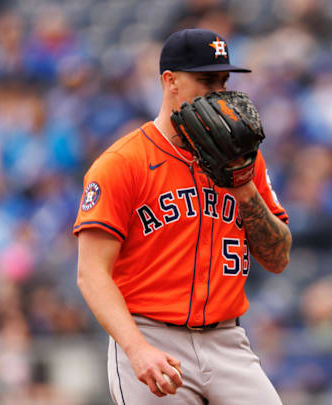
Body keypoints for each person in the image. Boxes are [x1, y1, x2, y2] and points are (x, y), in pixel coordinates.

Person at [74, 28, 291, 404]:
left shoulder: (244, 158)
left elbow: (278, 258)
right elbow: (91, 273)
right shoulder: (122, 163)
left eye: (223, 80)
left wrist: (243, 187)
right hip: (151, 334)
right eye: (206, 80)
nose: (219, 92)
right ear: (170, 81)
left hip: (227, 340)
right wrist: (136, 349)